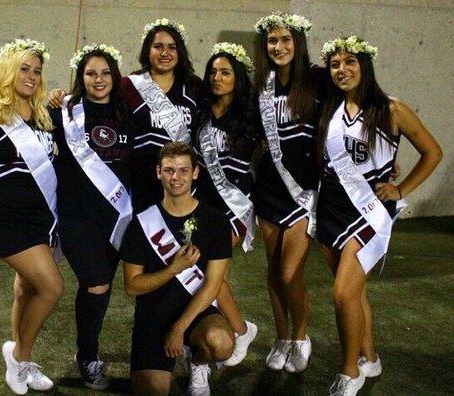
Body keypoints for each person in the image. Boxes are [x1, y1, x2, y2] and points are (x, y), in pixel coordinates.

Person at [316, 36, 442, 396]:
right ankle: (370, 358)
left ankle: (349, 369)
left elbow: (432, 152)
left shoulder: (392, 109)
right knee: (354, 293)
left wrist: (401, 190)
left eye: (350, 62)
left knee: (342, 294)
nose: (342, 70)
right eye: (336, 64)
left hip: (368, 211)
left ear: (365, 66)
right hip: (331, 209)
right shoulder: (329, 108)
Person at [0, 39, 64, 395]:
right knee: (52, 287)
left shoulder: (45, 114)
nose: (31, 76)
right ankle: (20, 356)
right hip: (10, 217)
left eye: (37, 71)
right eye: (24, 69)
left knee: (26, 287)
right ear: (9, 72)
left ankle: (18, 356)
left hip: (42, 216)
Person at [48, 43, 132, 390]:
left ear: (115, 76)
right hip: (77, 217)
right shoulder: (63, 113)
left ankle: (89, 349)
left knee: (102, 287)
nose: (99, 80)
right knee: (95, 282)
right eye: (90, 73)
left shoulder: (128, 112)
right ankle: (87, 355)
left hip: (118, 216)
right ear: (80, 78)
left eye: (105, 73)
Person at [121, 142, 235, 396]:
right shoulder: (141, 223)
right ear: (158, 172)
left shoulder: (216, 221)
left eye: (183, 170)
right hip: (153, 317)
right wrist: (174, 268)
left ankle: (197, 361)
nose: (176, 177)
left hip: (197, 315)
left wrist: (180, 327)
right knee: (150, 391)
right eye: (170, 170)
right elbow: (132, 286)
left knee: (222, 343)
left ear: (195, 173)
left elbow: (213, 285)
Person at [251, 12, 322, 373]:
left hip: (304, 190)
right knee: (273, 270)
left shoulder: (318, 80)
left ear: (298, 43)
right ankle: (281, 337)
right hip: (268, 189)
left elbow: (360, 105)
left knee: (291, 272)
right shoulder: (259, 85)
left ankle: (301, 337)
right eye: (272, 41)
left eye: (285, 40)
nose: (278, 47)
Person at [193, 42, 259, 366]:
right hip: (202, 206)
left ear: (238, 78)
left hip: (234, 208)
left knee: (208, 270)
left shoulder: (251, 115)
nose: (217, 78)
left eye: (225, 72)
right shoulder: (200, 111)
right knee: (205, 271)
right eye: (213, 72)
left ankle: (239, 329)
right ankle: (237, 328)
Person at [120, 18, 204, 212]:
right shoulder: (129, 85)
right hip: (142, 180)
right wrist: (60, 96)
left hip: (180, 180)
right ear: (147, 51)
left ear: (179, 52)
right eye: (158, 46)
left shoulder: (194, 86)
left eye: (172, 47)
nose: (165, 53)